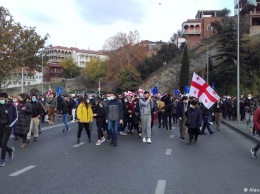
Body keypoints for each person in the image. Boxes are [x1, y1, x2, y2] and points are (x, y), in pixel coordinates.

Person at [0, 92, 17, 167]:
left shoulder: (12, 106)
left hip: (7, 127)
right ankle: (10, 150)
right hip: (0, 126)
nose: (1, 100)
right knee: (0, 144)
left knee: (3, 143)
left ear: (6, 98)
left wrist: (9, 125)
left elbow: (16, 117)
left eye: (2, 99)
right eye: (0, 99)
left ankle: (2, 160)